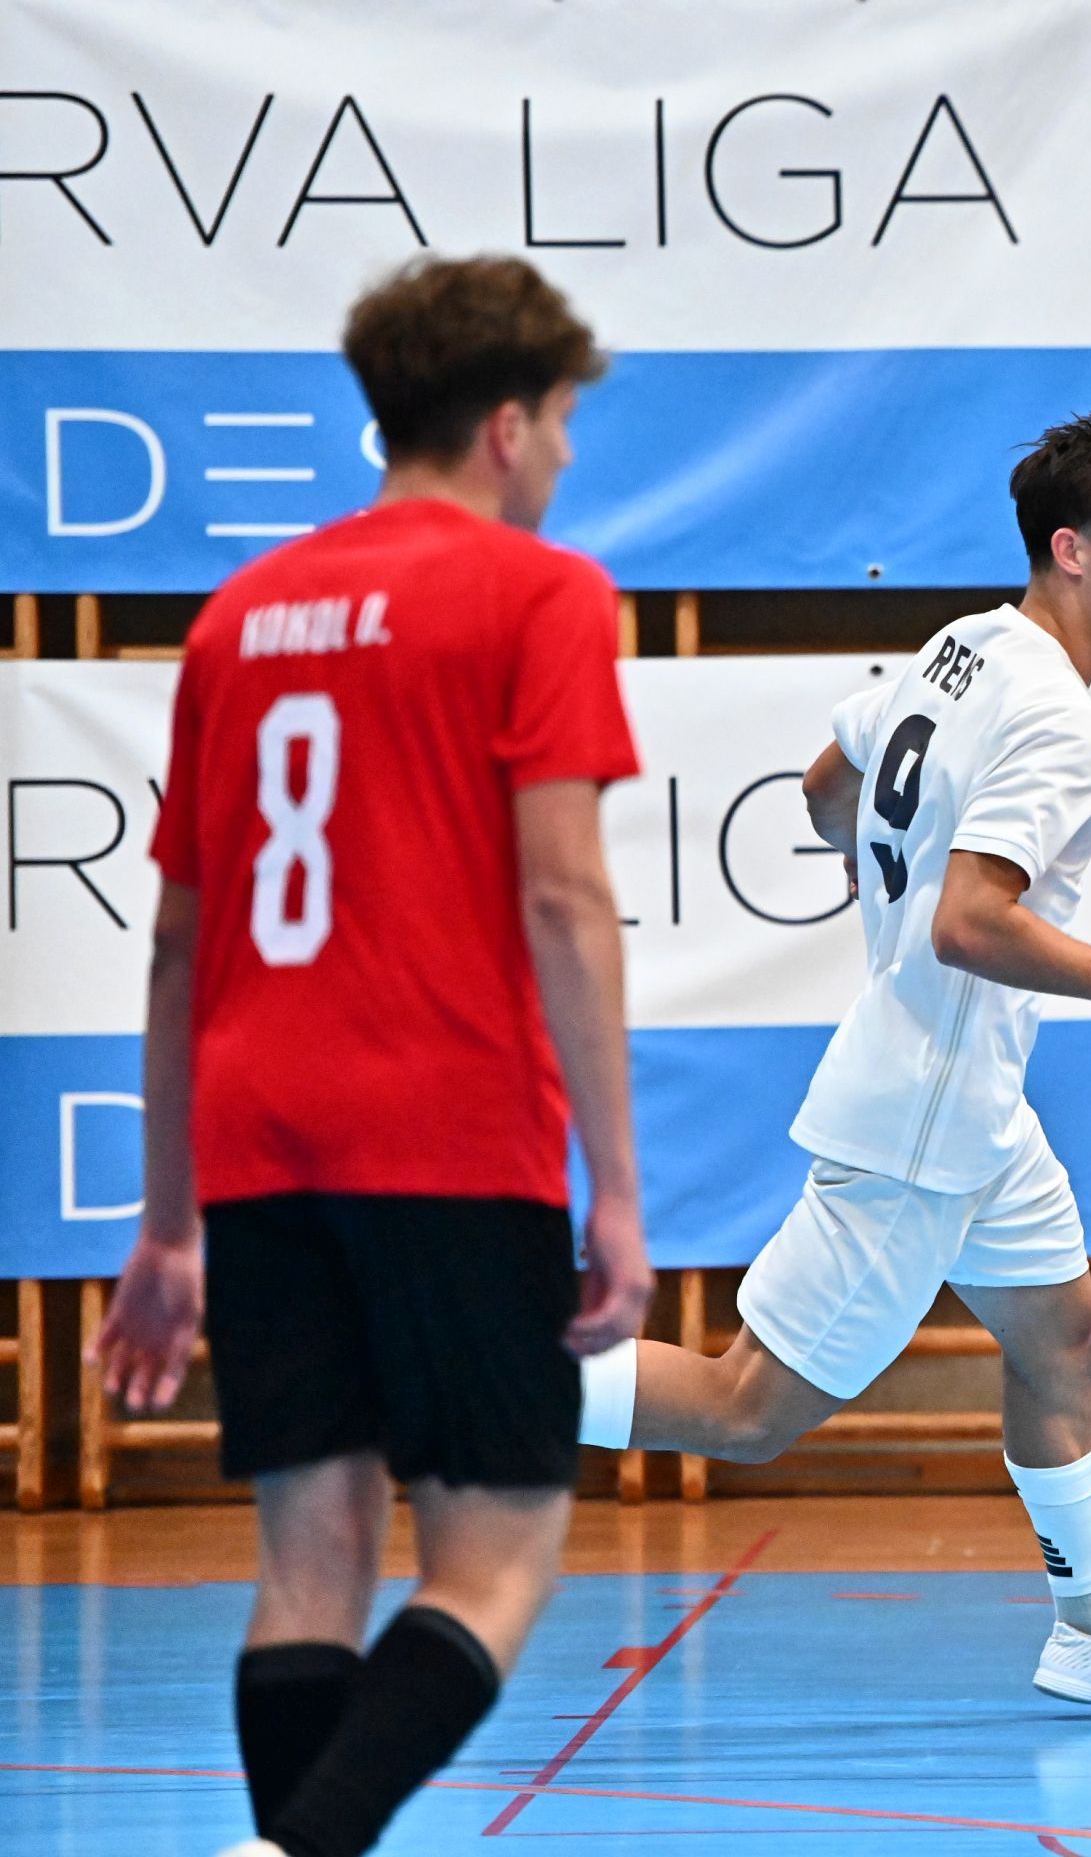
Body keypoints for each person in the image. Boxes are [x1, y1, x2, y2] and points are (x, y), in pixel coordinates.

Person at [92, 255, 652, 1857]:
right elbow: (564, 895)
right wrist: (617, 1191)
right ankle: (293, 1851)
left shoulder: (239, 619)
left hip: (261, 1133)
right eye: (561, 426)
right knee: (501, 1550)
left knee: (309, 1560)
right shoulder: (540, 593)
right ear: (505, 426)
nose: (564, 460)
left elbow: (178, 944)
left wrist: (169, 1222)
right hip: (446, 1120)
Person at [574, 409, 1091, 1715]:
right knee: (745, 1409)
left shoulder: (964, 644)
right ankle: (465, 1386)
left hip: (976, 1100)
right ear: (1071, 549)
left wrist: (878, 875)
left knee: (1063, 1338)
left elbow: (829, 782)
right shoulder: (1058, 719)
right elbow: (969, 924)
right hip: (927, 1107)